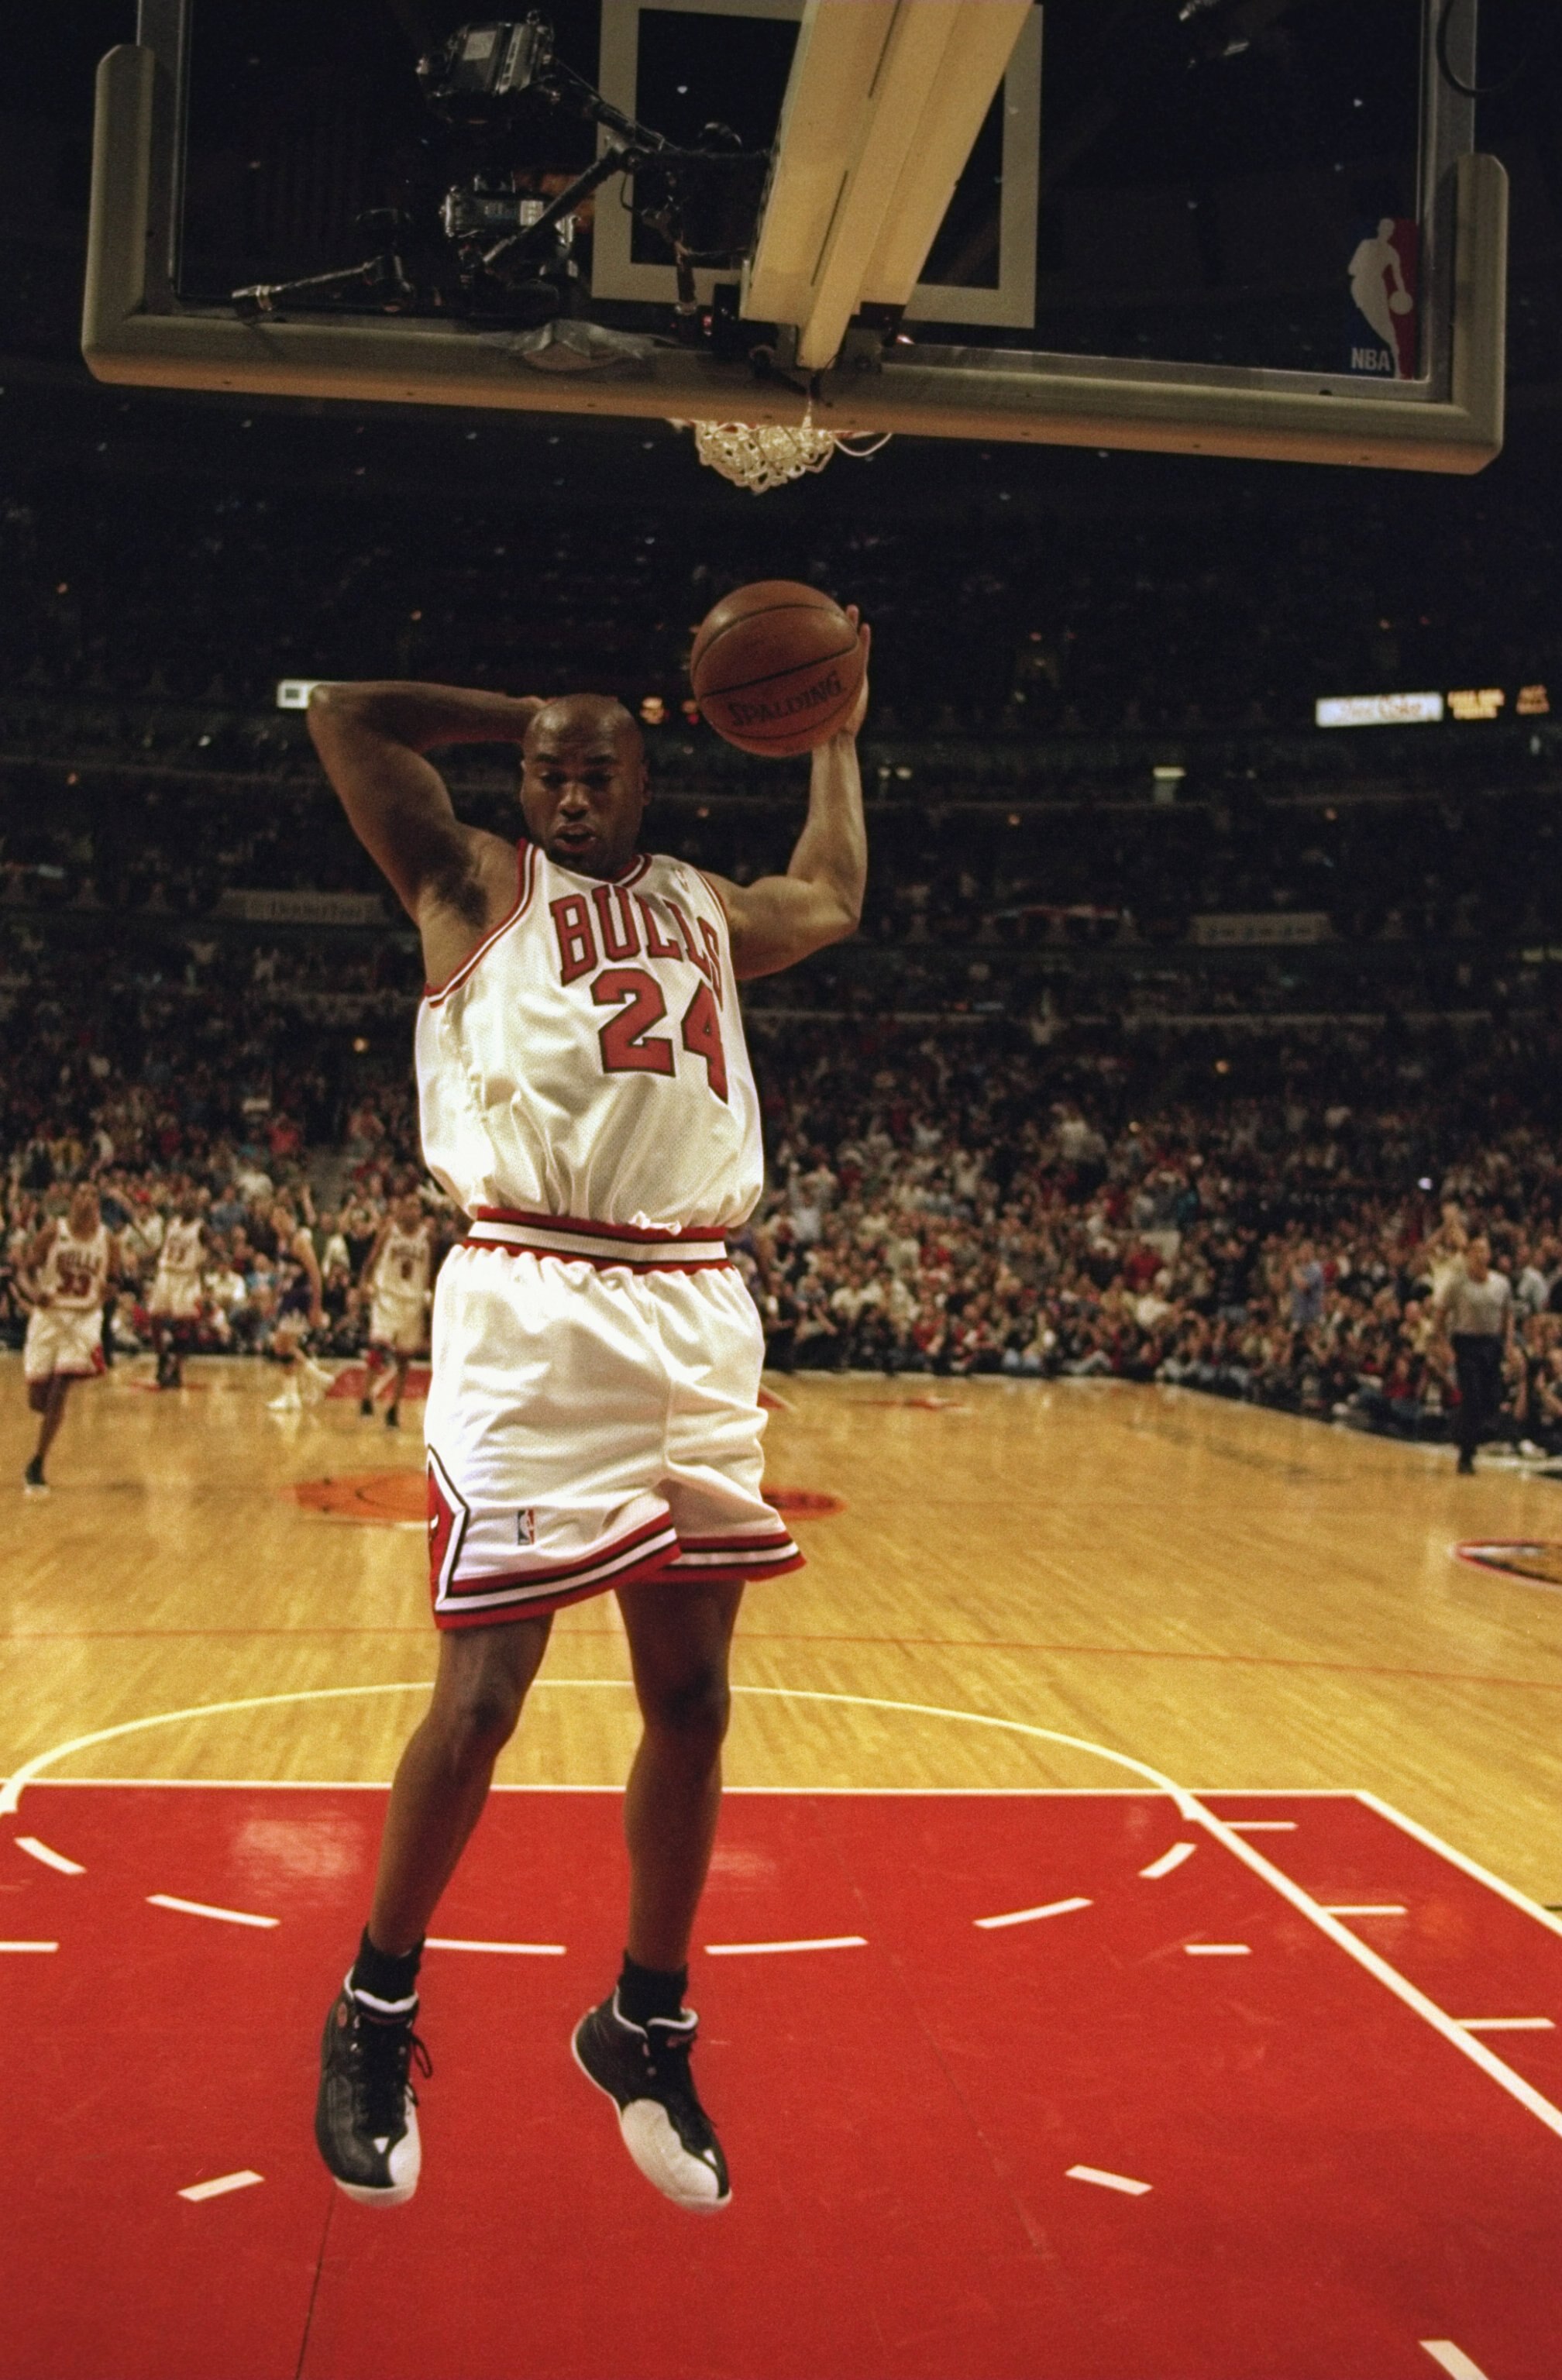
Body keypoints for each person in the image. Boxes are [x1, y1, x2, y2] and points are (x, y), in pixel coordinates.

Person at [304, 628, 868, 2215]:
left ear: (646, 778)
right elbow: (346, 706)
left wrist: (837, 730)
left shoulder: (700, 901)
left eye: (593, 765)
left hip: (693, 1297)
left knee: (692, 1700)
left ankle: (646, 2019)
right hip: (536, 1295)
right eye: (546, 766)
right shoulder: (470, 883)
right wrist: (525, 711)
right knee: (484, 1693)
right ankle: (374, 2003)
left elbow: (830, 897)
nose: (562, 786)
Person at [20, 1183, 119, 1491]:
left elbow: (114, 1283)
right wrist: (34, 1293)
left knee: (61, 1387)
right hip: (50, 1316)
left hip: (84, 1317)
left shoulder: (109, 1240)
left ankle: (38, 1462)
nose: (87, 1199)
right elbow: (25, 1270)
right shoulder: (53, 1231)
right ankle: (49, 1418)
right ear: (72, 1201)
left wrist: (108, 1293)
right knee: (39, 1399)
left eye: (93, 1194)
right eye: (82, 1194)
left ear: (97, 1204)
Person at [1433, 1233, 1514, 1474]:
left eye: (1484, 1250)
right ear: (1468, 1255)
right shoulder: (1457, 1284)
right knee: (1473, 1398)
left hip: (1491, 1344)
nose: (1480, 1255)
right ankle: (1466, 1454)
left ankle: (1462, 1435)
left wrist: (1507, 1343)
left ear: (1490, 1255)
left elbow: (1508, 1315)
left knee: (1491, 1399)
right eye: (1475, 1250)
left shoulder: (1501, 1283)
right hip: (1466, 1344)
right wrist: (1445, 1346)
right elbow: (1440, 1315)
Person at [360, 1192, 434, 1428]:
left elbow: (431, 1269)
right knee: (378, 1348)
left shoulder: (427, 1236)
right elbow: (372, 1259)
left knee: (404, 1359)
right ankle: (366, 1396)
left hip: (412, 1301)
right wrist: (364, 1282)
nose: (413, 1211)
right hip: (387, 1297)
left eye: (417, 1207)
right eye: (409, 1206)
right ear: (400, 1209)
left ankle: (394, 1408)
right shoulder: (389, 1231)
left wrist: (430, 1296)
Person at [265, 1200, 326, 1413]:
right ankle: (292, 1396)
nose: (277, 1222)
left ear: (291, 1217)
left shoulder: (299, 1241)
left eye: (281, 1217)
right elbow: (281, 1275)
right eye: (275, 1218)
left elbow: (316, 1275)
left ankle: (316, 1377)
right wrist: (274, 1299)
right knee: (283, 1347)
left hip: (300, 1298)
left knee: (281, 1345)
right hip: (288, 1296)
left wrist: (316, 1307)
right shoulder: (282, 1241)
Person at [149, 1194, 205, 1388]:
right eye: (185, 1202)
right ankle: (162, 1357)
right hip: (166, 1273)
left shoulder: (201, 1228)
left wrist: (202, 1279)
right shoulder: (172, 1224)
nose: (188, 1205)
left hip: (186, 1277)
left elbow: (211, 1250)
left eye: (192, 1203)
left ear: (197, 1208)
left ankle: (177, 1367)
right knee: (154, 1317)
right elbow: (164, 1247)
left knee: (184, 1323)